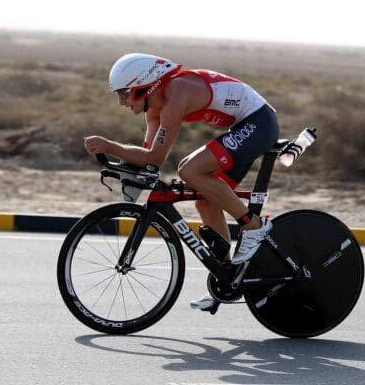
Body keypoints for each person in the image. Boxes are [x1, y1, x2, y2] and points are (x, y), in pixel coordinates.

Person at [84, 53, 279, 310]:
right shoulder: (154, 109)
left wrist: (111, 146)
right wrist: (124, 169)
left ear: (146, 85)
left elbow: (155, 155)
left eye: (124, 93)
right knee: (206, 203)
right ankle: (227, 277)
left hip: (259, 122)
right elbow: (149, 160)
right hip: (243, 128)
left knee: (190, 170)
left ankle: (253, 226)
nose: (121, 102)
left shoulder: (178, 93)